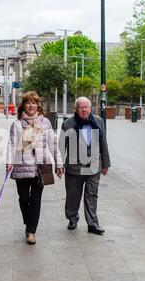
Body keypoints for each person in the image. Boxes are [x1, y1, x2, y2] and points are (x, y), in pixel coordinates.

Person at [6, 91, 64, 244]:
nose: (31, 105)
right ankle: (29, 221)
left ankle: (31, 231)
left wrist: (59, 163)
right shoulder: (17, 124)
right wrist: (9, 161)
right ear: (23, 105)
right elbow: (11, 144)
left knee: (36, 199)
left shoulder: (45, 123)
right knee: (24, 199)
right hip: (21, 165)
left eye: (34, 102)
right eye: (28, 102)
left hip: (41, 167)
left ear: (38, 105)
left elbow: (53, 145)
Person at [60, 96, 111, 235]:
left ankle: (92, 223)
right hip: (74, 167)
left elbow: (103, 143)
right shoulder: (68, 124)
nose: (84, 110)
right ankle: (72, 218)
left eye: (87, 107)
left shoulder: (98, 121)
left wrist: (106, 163)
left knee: (92, 195)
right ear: (75, 109)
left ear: (90, 108)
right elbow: (61, 147)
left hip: (94, 166)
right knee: (73, 195)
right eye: (81, 107)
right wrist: (59, 165)